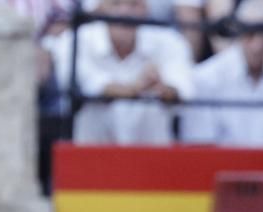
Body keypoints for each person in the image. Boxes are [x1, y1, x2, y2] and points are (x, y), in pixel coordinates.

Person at [57, 0, 198, 143]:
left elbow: (183, 89)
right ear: (101, 9)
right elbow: (87, 83)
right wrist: (137, 88)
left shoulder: (170, 41)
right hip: (91, 157)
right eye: (116, 4)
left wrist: (162, 87)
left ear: (145, 9)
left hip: (154, 158)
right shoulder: (73, 41)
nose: (124, 12)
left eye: (134, 4)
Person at [182, 0, 263, 145]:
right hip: (219, 167)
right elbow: (199, 147)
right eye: (250, 34)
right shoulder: (205, 79)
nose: (257, 45)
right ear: (237, 31)